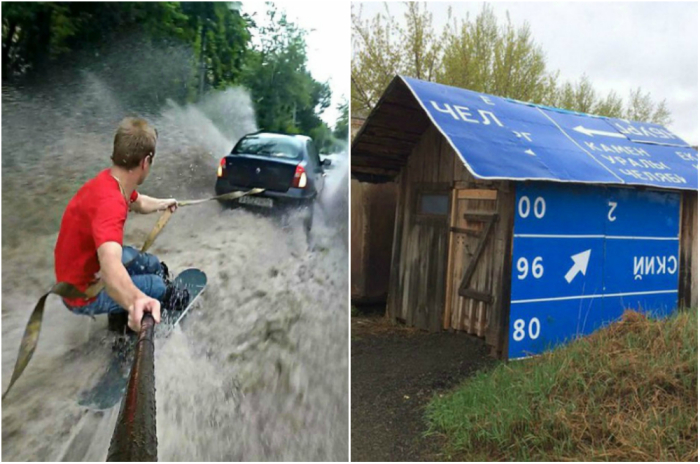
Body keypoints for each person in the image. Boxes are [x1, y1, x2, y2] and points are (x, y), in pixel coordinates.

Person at [54, 117, 179, 333]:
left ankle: (126, 305)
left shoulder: (111, 181)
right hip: (83, 293)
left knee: (152, 265)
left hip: (82, 271)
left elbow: (138, 201)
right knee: (158, 287)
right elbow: (110, 268)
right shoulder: (110, 205)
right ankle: (130, 325)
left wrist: (164, 204)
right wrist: (136, 300)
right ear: (145, 161)